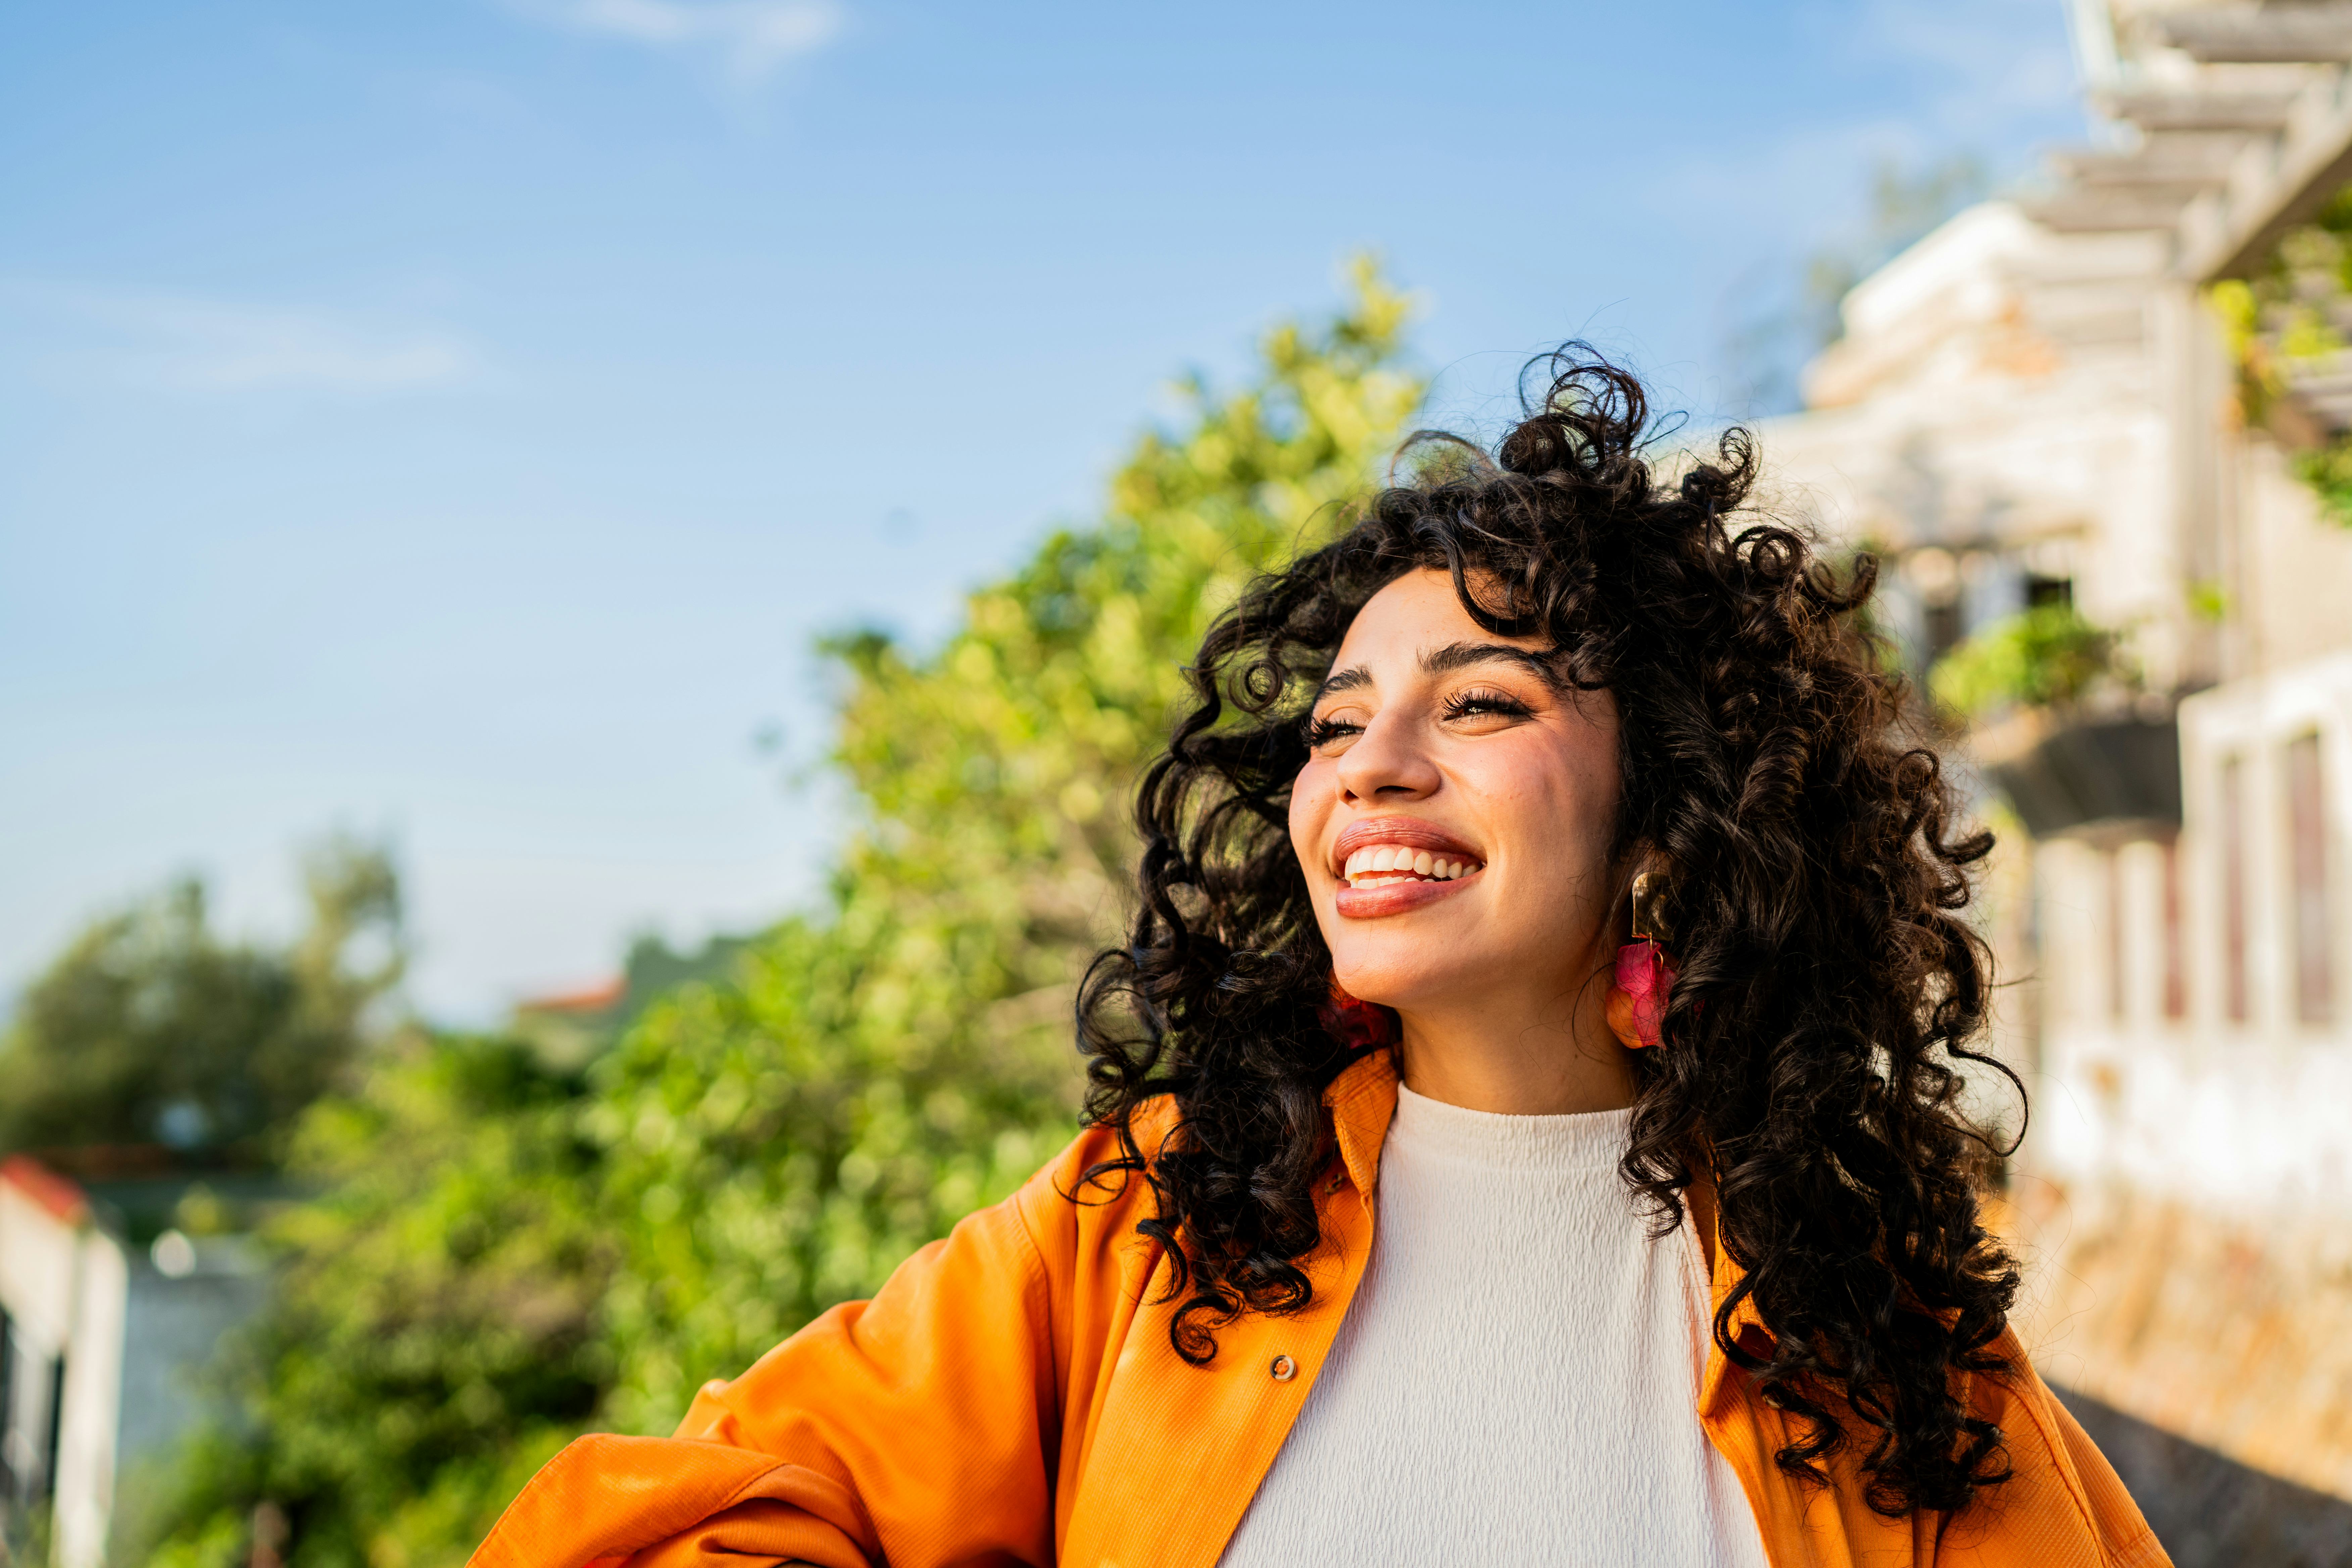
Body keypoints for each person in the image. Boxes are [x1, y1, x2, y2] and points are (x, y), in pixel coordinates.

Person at [472, 354, 2167, 1568]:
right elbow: (683, 1508)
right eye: (1340, 722)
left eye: (1482, 702)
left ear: (1676, 818)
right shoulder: (1142, 1231)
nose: (1368, 763)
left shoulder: (1874, 1333)